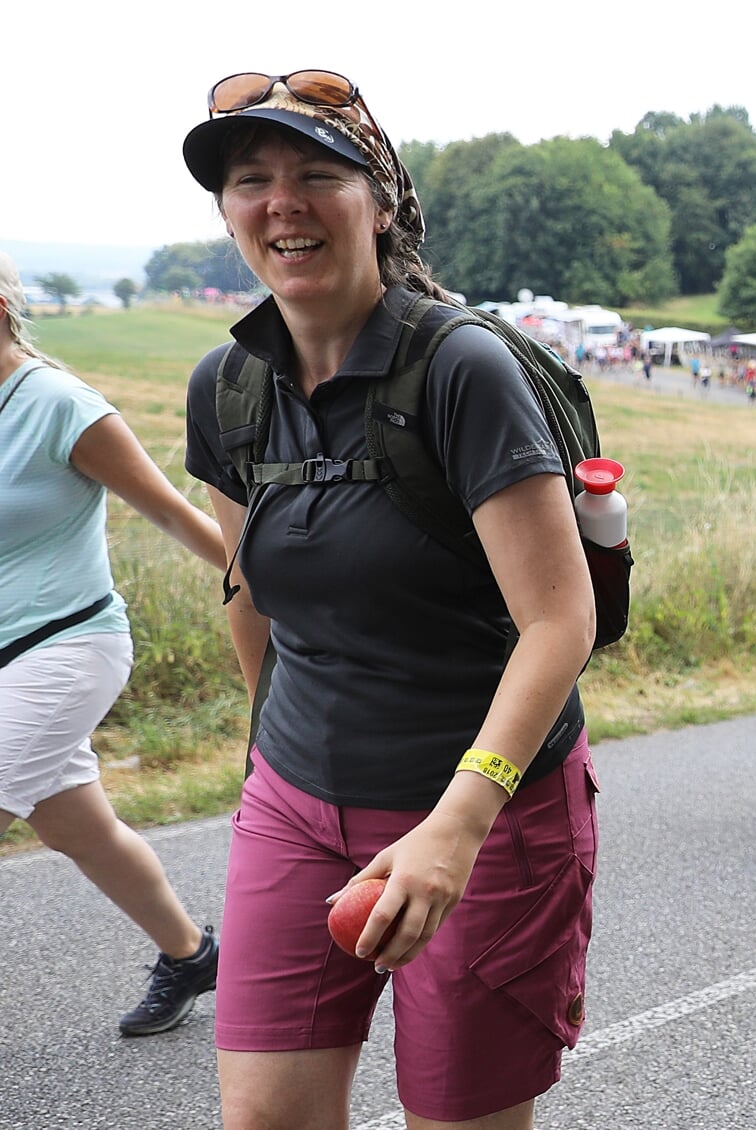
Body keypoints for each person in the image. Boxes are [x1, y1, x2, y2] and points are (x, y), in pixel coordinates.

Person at [179, 72, 598, 1128]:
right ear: (228, 211)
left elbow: (561, 620)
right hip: (297, 798)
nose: (283, 202)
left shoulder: (462, 370)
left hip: (483, 809)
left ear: (379, 199)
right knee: (264, 1116)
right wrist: (271, 753)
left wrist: (461, 818)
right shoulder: (225, 386)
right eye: (252, 180)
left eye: (318, 173)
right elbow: (251, 596)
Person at [0, 250, 229, 1037]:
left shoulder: (62, 405)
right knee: (76, 828)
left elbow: (171, 514)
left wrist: (276, 581)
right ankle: (192, 954)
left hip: (67, 645)